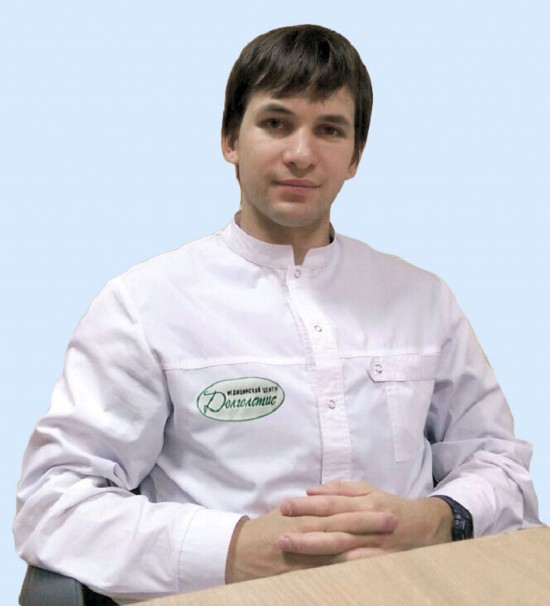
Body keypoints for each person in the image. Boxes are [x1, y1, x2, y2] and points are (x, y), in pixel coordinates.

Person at [14, 24, 540, 604]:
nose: (301, 154)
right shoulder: (143, 305)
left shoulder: (421, 299)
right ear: (230, 141)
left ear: (355, 157)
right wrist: (235, 549)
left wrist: (439, 519)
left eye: (330, 130)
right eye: (276, 123)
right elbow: (54, 503)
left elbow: (500, 464)